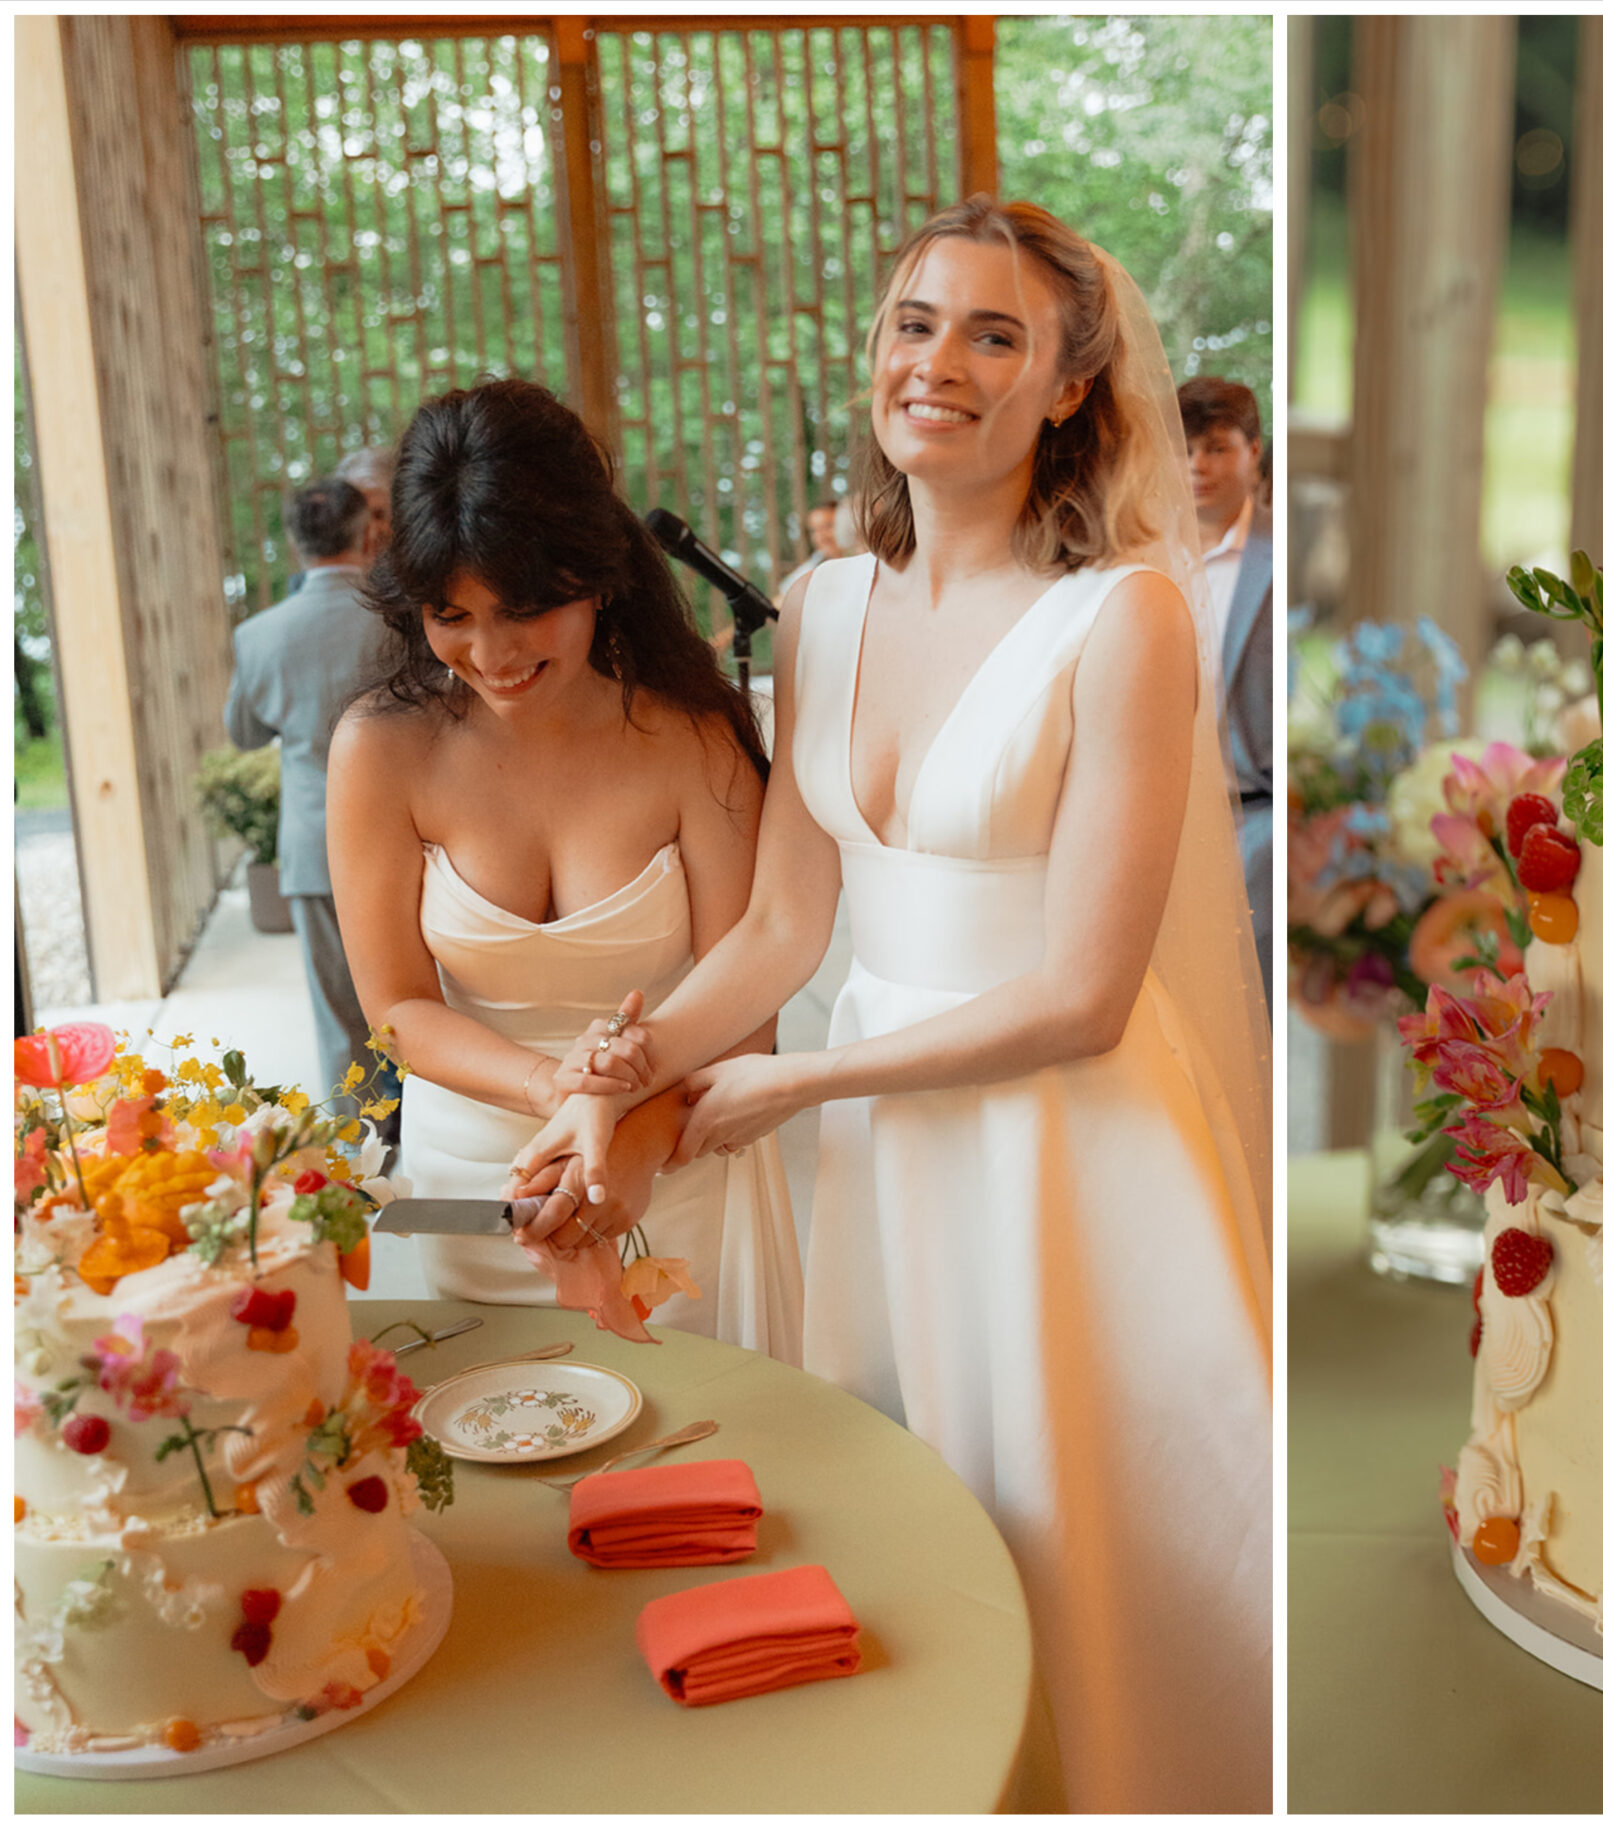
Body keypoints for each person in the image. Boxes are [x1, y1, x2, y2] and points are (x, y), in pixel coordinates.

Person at [512, 198, 1272, 1813]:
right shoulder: (829, 601)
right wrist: (626, 1060)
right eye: (915, 321)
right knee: (910, 1520)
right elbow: (792, 919)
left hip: (1068, 1155)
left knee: (1088, 1539)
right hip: (875, 1153)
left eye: (995, 333)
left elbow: (1079, 993)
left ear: (1070, 386)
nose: (938, 361)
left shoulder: (1123, 618)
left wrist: (800, 1087)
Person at [328, 379, 803, 1362]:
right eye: (449, 614)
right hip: (479, 1181)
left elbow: (747, 1013)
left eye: (526, 608)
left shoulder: (696, 737)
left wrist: (627, 1143)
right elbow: (398, 1007)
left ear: (597, 576)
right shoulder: (380, 749)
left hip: (674, 1168)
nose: (490, 653)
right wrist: (559, 1091)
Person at [224, 477, 403, 1122]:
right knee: (419, 1003)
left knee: (340, 1019)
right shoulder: (398, 615)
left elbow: (243, 732)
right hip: (408, 837)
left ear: (296, 543)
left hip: (313, 845)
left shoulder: (260, 636)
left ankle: (362, 1166)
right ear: (369, 534)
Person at [1180, 376, 1274, 999]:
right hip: (1158, 815)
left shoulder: (1282, 553)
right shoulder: (1137, 554)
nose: (1195, 465)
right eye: (1182, 448)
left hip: (1254, 817)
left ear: (1254, 452)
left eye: (1215, 447)